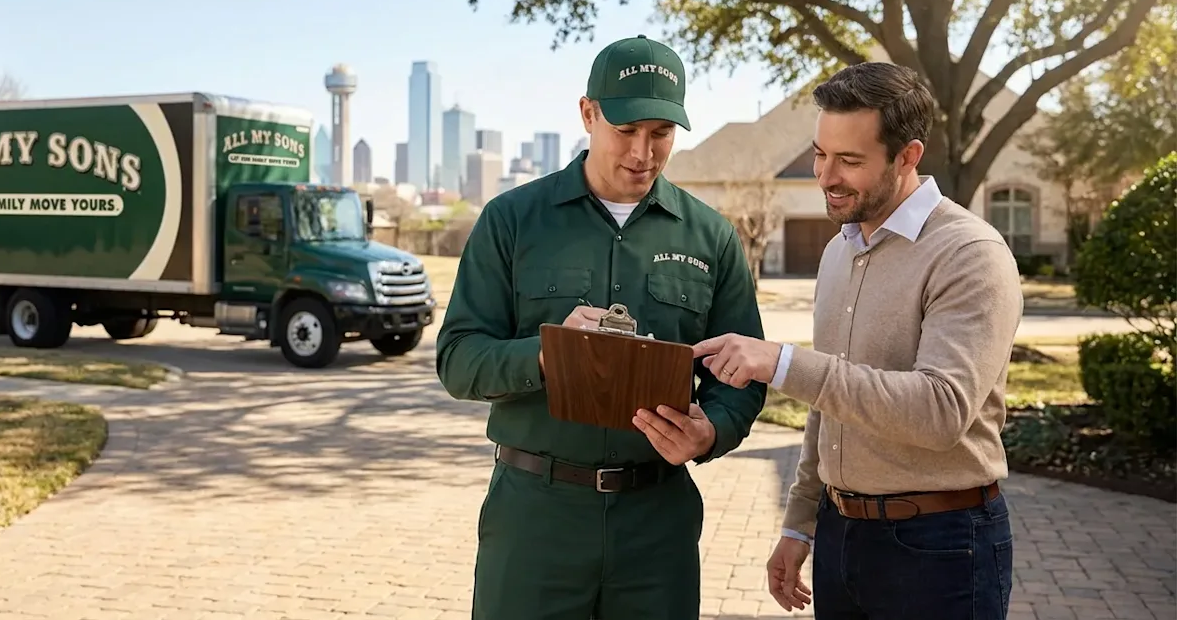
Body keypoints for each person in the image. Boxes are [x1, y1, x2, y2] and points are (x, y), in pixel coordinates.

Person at [435, 34, 769, 620]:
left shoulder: (711, 237)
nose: (643, 152)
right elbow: (458, 360)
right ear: (588, 114)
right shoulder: (511, 220)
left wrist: (711, 432)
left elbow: (741, 375)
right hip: (536, 518)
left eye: (661, 134)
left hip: (656, 525)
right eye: (626, 130)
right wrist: (548, 353)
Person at [690, 61, 1023, 620]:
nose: (825, 175)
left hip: (941, 546)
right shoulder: (839, 251)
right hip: (840, 533)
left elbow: (941, 411)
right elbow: (832, 401)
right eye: (821, 153)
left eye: (849, 160)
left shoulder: (970, 254)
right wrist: (800, 522)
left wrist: (782, 363)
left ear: (908, 156)